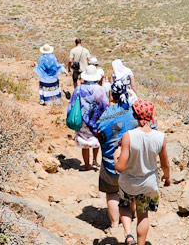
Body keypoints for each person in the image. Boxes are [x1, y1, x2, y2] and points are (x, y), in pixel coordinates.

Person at [114, 100, 170, 245]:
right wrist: (167, 177)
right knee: (143, 214)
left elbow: (120, 167)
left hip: (129, 182)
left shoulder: (128, 136)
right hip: (148, 183)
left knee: (125, 206)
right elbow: (165, 163)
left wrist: (116, 156)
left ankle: (128, 235)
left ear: (134, 115)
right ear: (152, 116)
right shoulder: (160, 137)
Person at [94, 81, 139, 238]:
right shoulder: (134, 112)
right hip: (132, 162)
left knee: (112, 192)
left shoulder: (105, 116)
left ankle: (114, 225)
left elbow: (99, 135)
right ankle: (131, 215)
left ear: (112, 95)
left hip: (111, 163)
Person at [67, 65, 108, 171]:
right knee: (96, 139)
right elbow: (105, 105)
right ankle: (95, 160)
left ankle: (87, 165)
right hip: (96, 120)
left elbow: (72, 104)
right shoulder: (100, 89)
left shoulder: (79, 89)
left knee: (84, 142)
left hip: (83, 120)